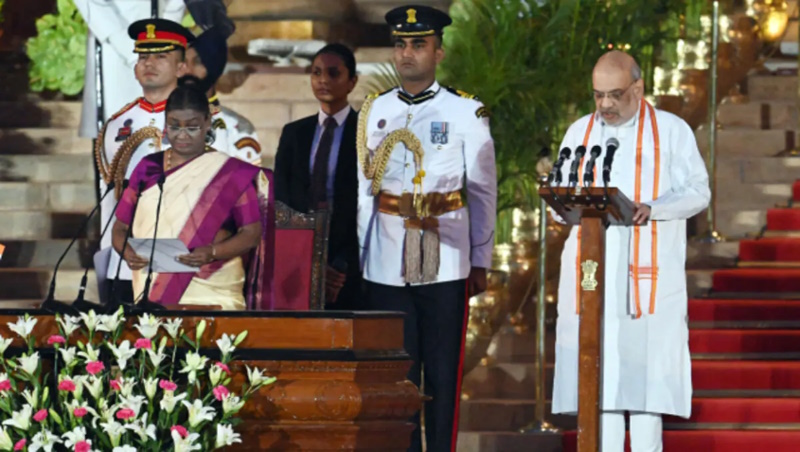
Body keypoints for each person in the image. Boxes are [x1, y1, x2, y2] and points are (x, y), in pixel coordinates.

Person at [550, 51, 711, 452]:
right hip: (593, 273)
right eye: (598, 95)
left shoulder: (671, 131)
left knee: (645, 386)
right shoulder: (580, 132)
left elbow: (698, 191)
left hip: (649, 280)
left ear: (638, 89)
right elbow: (560, 190)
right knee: (599, 381)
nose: (605, 104)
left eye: (615, 94)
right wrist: (558, 206)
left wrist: (654, 208)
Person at [356, 6, 497, 452]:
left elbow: (483, 192)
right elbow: (364, 190)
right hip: (386, 259)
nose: (407, 53)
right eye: (401, 44)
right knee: (396, 373)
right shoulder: (375, 109)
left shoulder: (465, 110)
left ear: (438, 52)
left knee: (441, 373)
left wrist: (480, 259)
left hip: (445, 256)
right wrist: (363, 256)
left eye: (419, 44)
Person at [111, 78, 272, 310]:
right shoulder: (148, 167)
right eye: (174, 126)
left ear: (207, 123)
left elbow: (251, 233)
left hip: (213, 285)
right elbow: (120, 227)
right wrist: (126, 251)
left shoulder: (229, 173)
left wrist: (212, 252)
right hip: (153, 285)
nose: (182, 134)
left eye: (192, 126)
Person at [95, 18, 194, 304]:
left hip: (181, 257)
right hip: (124, 260)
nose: (149, 63)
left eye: (161, 56)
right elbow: (109, 198)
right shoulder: (116, 124)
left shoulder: (202, 121)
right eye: (143, 56)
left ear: (181, 67)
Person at [274, 43, 362, 310]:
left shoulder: (365, 133)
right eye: (316, 72)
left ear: (352, 81)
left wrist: (340, 263)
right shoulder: (294, 133)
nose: (323, 80)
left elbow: (365, 201)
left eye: (333, 73)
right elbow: (282, 198)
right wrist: (305, 256)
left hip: (349, 257)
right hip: (299, 251)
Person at [74, 0, 186, 138]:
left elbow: (176, 5)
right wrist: (121, 39)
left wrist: (166, 28)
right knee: (113, 133)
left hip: (159, 29)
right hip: (111, 43)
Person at [183, 26, 263, 165]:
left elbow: (248, 178)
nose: (188, 70)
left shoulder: (236, 127)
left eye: (198, 62)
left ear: (214, 68)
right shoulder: (157, 119)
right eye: (184, 62)